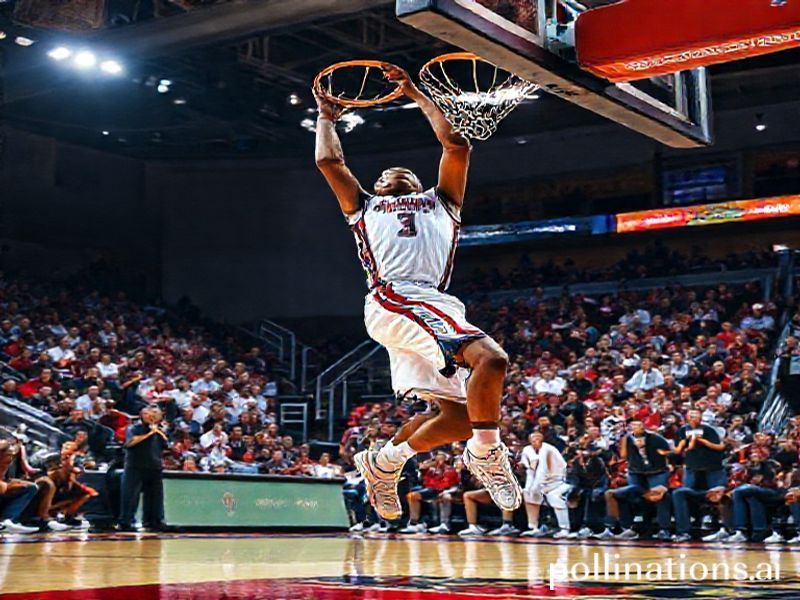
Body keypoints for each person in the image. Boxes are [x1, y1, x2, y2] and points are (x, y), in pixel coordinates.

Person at [314, 66, 521, 521]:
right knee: (492, 359)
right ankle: (486, 452)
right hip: (394, 299)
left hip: (432, 302)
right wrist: (326, 117)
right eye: (388, 173)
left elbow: (456, 145)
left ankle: (383, 462)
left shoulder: (443, 200)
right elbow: (330, 163)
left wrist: (414, 92)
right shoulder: (363, 206)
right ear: (380, 186)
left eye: (404, 170)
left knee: (460, 419)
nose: (396, 172)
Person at [594, 421, 672, 541]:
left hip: (657, 472)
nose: (634, 428)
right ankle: (615, 529)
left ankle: (664, 530)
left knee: (659, 496)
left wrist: (666, 463)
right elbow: (623, 455)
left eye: (637, 426)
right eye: (632, 426)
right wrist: (625, 440)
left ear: (643, 427)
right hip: (636, 473)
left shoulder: (656, 438)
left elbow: (669, 453)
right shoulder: (628, 439)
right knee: (620, 495)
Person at [670, 409, 728, 542]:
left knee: (718, 497)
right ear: (686, 418)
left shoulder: (709, 430)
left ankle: (725, 529)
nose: (693, 417)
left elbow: (720, 447)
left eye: (696, 415)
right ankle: (684, 531)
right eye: (690, 415)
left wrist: (703, 442)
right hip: (692, 470)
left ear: (701, 418)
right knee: (683, 495)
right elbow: (677, 450)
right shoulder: (681, 431)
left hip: (713, 469)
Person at [118, 406, 168, 532]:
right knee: (130, 496)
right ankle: (126, 522)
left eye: (154, 413)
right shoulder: (134, 428)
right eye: (147, 413)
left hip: (154, 466)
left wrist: (158, 431)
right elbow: (130, 442)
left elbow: (166, 445)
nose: (150, 416)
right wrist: (149, 433)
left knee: (155, 497)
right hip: (135, 466)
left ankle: (154, 521)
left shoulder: (159, 430)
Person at [519, 432, 571, 539]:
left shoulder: (547, 449)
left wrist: (535, 488)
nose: (536, 442)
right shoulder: (528, 450)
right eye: (533, 440)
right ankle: (533, 527)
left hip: (560, 481)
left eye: (538, 439)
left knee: (554, 496)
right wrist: (529, 488)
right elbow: (531, 471)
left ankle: (564, 529)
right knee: (527, 493)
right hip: (544, 483)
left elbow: (542, 471)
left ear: (542, 440)